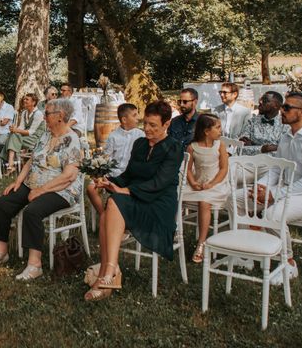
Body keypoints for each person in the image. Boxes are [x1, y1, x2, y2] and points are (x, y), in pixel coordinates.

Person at [84, 100, 183, 301]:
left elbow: (159, 183)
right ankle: (110, 273)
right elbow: (129, 175)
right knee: (111, 204)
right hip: (135, 198)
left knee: (114, 202)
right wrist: (108, 181)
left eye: (153, 125)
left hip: (158, 203)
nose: (146, 128)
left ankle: (109, 272)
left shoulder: (174, 148)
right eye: (145, 123)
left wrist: (125, 190)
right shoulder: (139, 144)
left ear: (166, 124)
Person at [0, 99, 83, 281]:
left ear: (60, 116)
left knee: (32, 212)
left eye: (47, 114)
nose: (44, 117)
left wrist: (42, 190)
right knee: (3, 203)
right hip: (33, 184)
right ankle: (1, 252)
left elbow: (69, 176)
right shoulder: (46, 134)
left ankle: (35, 265)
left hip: (62, 189)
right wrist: (18, 181)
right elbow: (31, 160)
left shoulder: (72, 140)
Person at [237, 92, 302, 285]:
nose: (282, 110)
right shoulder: (287, 137)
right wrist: (259, 187)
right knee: (237, 199)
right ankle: (250, 253)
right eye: (283, 107)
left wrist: (273, 194)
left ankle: (288, 263)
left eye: (287, 108)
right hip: (287, 189)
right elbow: (277, 170)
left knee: (273, 214)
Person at [182, 114, 229, 263]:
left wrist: (211, 184)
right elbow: (188, 169)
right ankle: (174, 232)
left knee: (204, 201)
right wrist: (193, 182)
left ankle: (201, 243)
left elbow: (223, 169)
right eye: (218, 127)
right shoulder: (192, 147)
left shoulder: (220, 145)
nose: (221, 130)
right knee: (176, 196)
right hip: (199, 182)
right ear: (206, 131)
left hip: (217, 183)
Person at [86, 103, 144, 216]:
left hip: (130, 178)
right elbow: (106, 158)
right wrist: (99, 173)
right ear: (124, 119)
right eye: (134, 115)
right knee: (90, 188)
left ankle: (120, 217)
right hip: (113, 175)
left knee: (119, 196)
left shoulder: (141, 135)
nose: (138, 118)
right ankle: (103, 215)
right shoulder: (114, 136)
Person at [3, 93, 45, 175]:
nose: (24, 101)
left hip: (36, 139)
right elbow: (21, 127)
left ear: (33, 102)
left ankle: (10, 164)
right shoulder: (24, 112)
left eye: (27, 99)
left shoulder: (38, 114)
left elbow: (31, 132)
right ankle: (11, 164)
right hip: (26, 137)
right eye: (24, 99)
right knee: (13, 135)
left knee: (13, 136)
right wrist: (14, 129)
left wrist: (16, 130)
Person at [238, 91, 288, 156]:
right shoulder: (252, 122)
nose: (260, 102)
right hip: (250, 164)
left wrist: (253, 146)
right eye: (261, 99)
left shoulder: (285, 125)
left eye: (265, 100)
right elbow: (240, 149)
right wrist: (263, 149)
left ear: (276, 105)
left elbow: (284, 152)